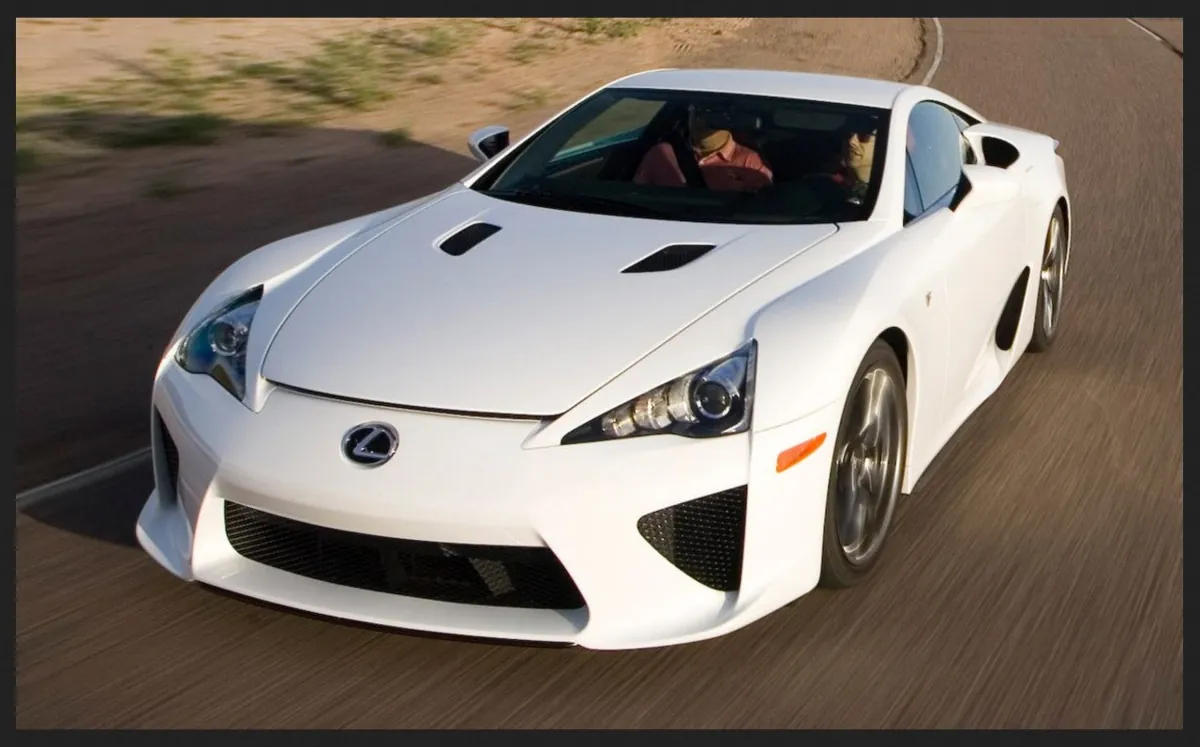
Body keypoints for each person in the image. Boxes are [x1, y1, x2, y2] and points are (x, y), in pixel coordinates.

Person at [633, 104, 773, 192]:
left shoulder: (751, 163)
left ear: (726, 121)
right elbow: (636, 196)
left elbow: (761, 211)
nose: (701, 119)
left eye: (710, 114)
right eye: (696, 111)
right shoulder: (661, 154)